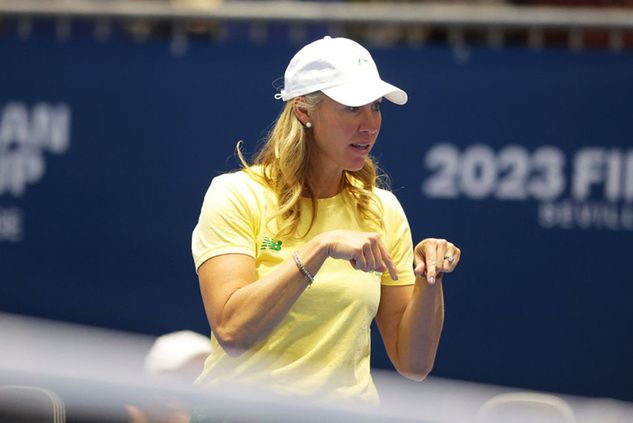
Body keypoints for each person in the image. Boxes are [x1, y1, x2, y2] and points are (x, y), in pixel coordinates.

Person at [191, 36, 461, 406]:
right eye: (352, 108)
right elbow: (233, 331)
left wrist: (430, 278)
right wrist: (318, 249)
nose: (370, 124)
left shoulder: (382, 210)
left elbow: (413, 363)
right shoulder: (236, 194)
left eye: (376, 106)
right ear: (303, 110)